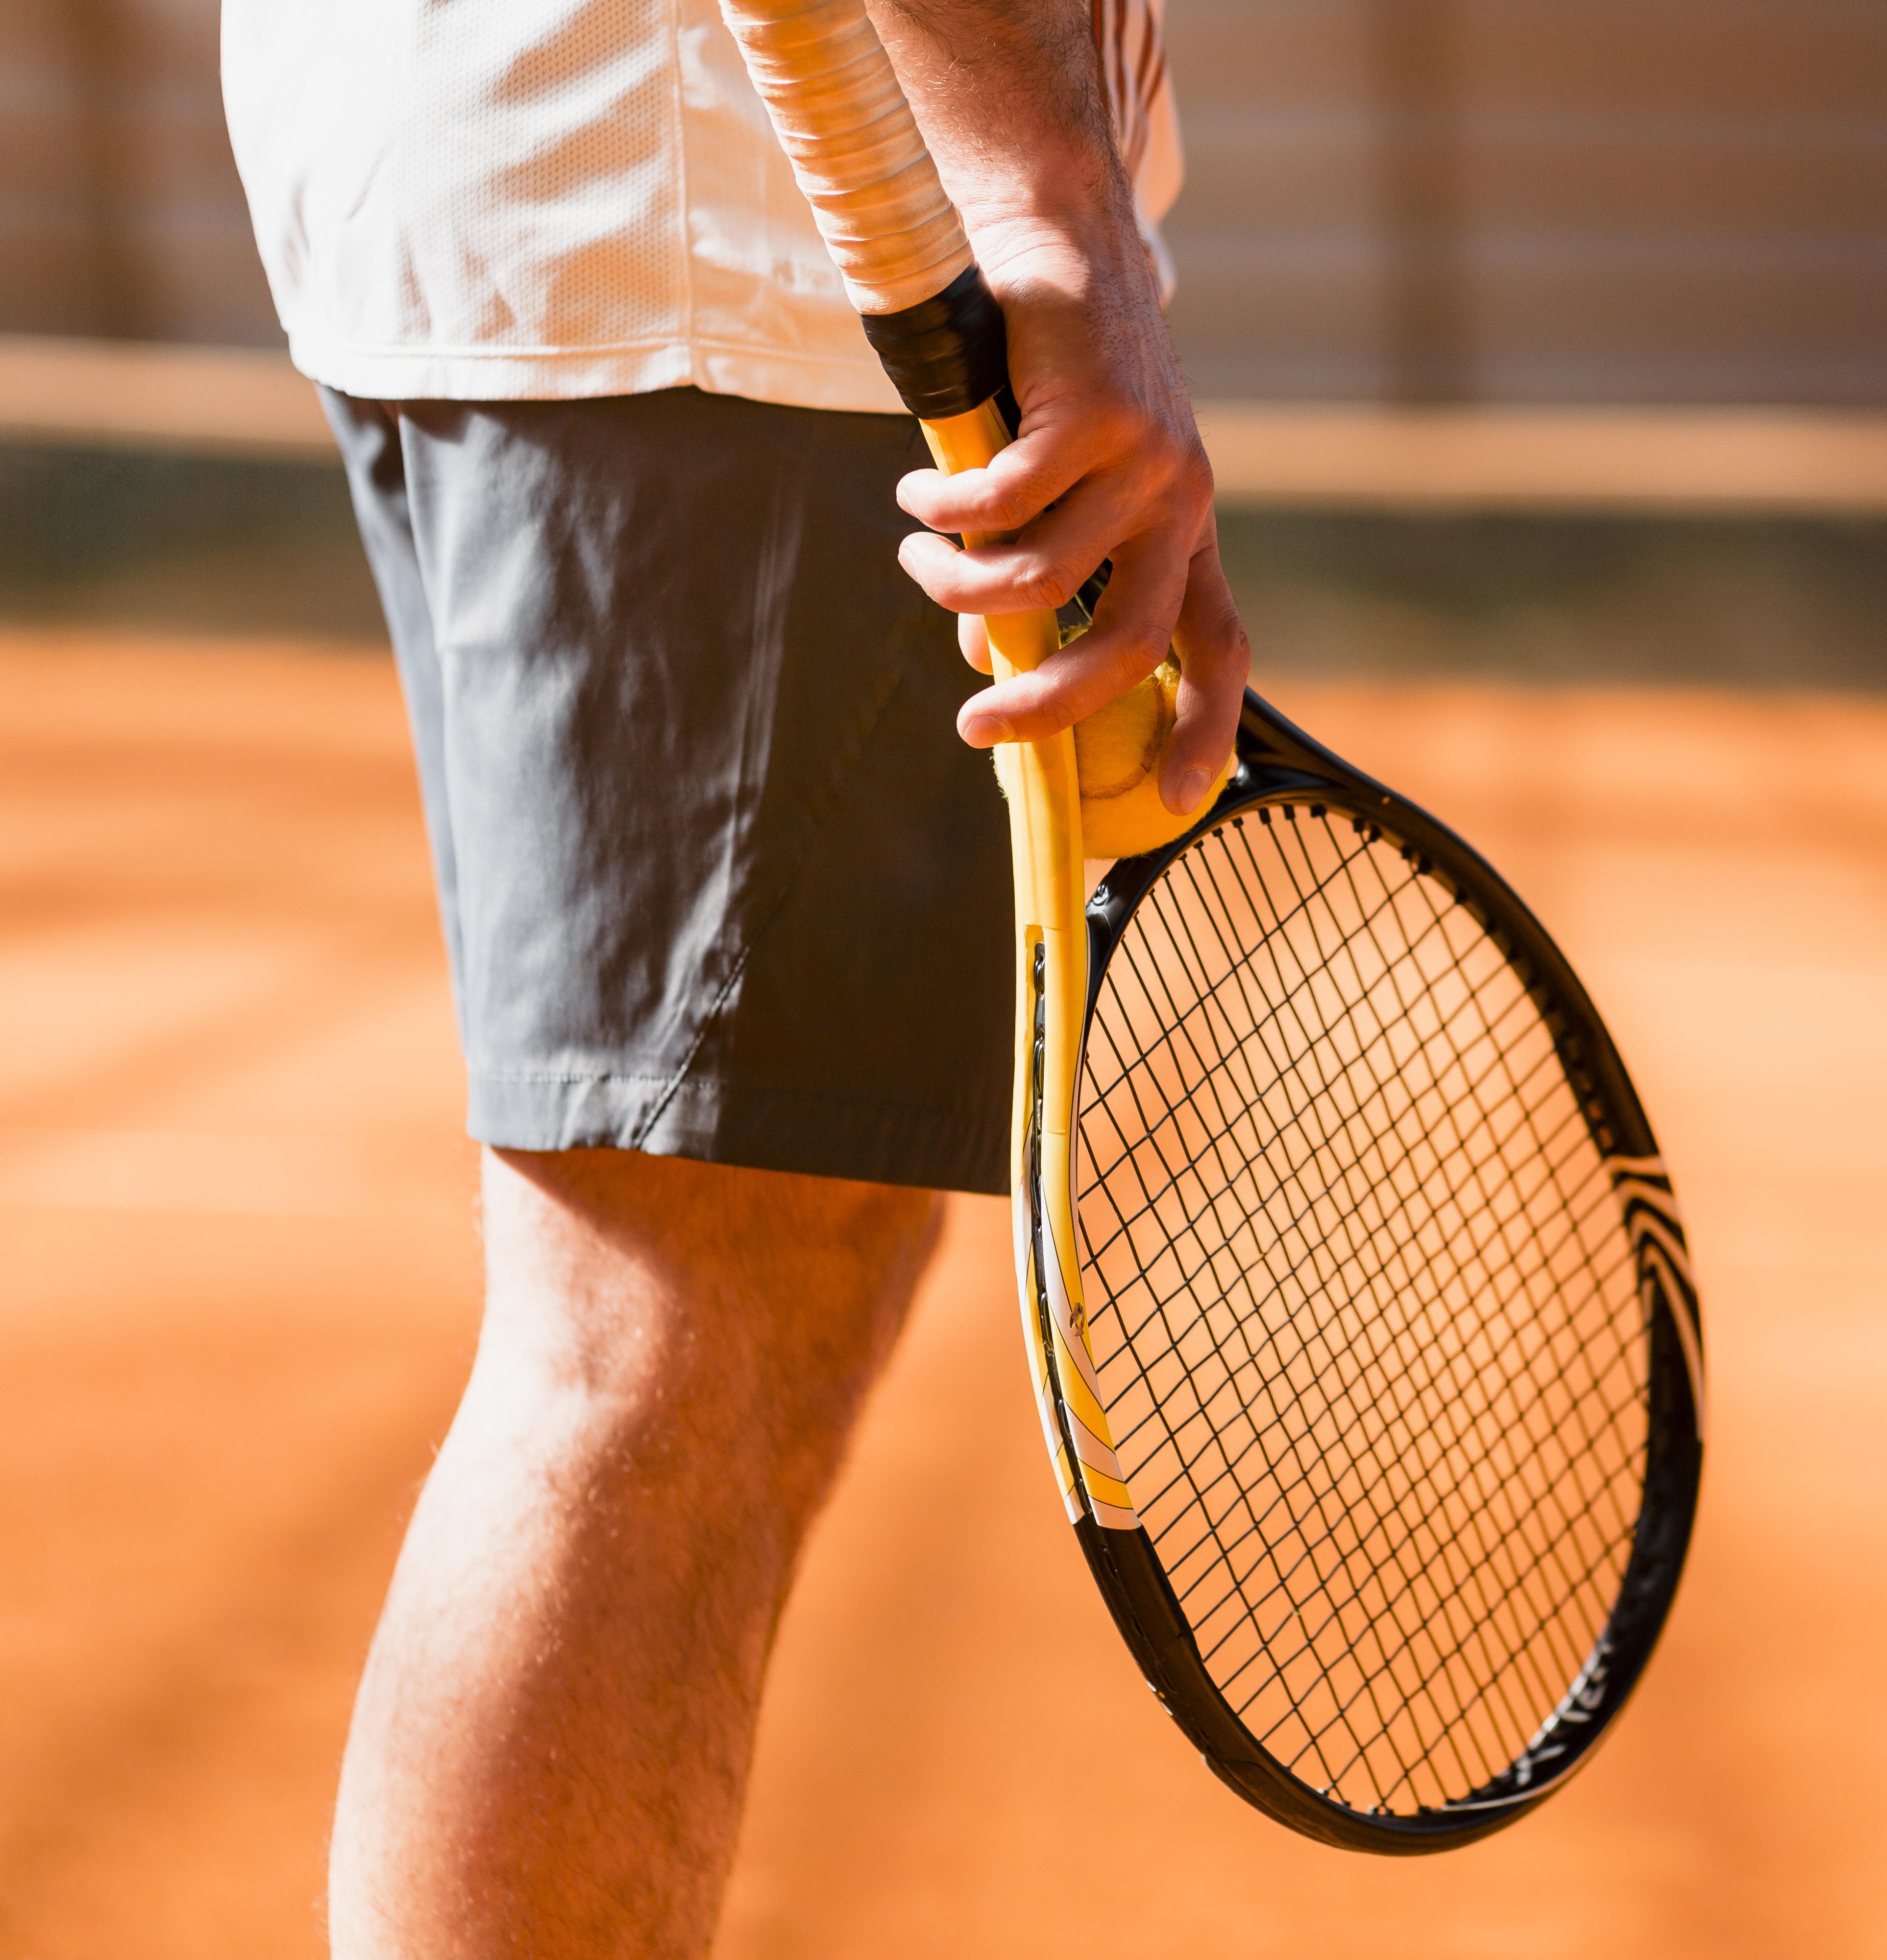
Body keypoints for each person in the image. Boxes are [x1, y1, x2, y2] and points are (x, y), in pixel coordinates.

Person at [220, 0, 1250, 1950]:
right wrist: (1038, 193)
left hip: (650, 188)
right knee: (652, 1341)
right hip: (765, 214)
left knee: (760, 1281)